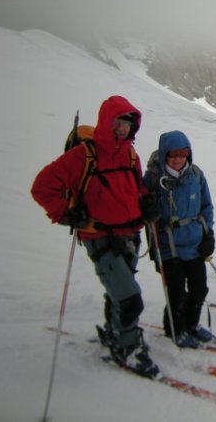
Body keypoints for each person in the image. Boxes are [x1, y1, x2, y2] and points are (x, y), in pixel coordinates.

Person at [31, 95, 161, 378]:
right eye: (117, 122)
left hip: (130, 234)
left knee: (120, 291)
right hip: (100, 236)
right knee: (130, 298)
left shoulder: (130, 155)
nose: (122, 129)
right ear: (106, 122)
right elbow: (42, 187)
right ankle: (127, 347)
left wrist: (146, 202)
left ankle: (116, 332)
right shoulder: (83, 156)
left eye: (127, 124)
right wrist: (65, 213)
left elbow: (134, 188)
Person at [144, 130, 216, 349]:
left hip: (194, 245)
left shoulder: (195, 175)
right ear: (165, 154)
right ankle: (175, 330)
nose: (178, 159)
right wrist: (147, 209)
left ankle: (191, 325)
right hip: (168, 247)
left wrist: (208, 234)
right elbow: (141, 207)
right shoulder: (153, 179)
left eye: (182, 155)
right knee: (176, 294)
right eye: (173, 155)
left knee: (199, 289)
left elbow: (207, 206)